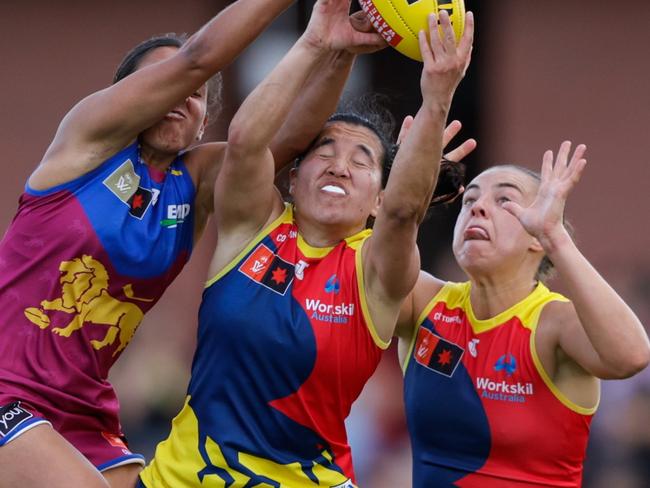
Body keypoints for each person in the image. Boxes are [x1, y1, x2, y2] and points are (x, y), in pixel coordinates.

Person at [0, 1, 386, 487]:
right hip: (8, 384)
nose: (184, 96)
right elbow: (198, 57)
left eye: (199, 96)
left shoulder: (195, 181)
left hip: (84, 404)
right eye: (171, 84)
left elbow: (283, 144)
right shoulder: (86, 142)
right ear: (130, 97)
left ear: (204, 121)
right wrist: (304, 35)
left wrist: (336, 51)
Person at [138, 2, 474, 486]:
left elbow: (404, 214)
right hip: (181, 479)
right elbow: (247, 140)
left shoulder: (376, 271)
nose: (340, 165)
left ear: (378, 198)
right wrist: (321, 42)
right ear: (292, 179)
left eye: (361, 160)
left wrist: (437, 95)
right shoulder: (253, 227)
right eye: (325, 152)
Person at [396, 143, 650, 486]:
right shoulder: (424, 301)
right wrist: (397, 193)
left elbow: (631, 356)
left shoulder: (554, 324)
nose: (478, 208)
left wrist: (555, 236)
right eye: (469, 200)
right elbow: (364, 270)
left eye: (504, 200)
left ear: (536, 238)